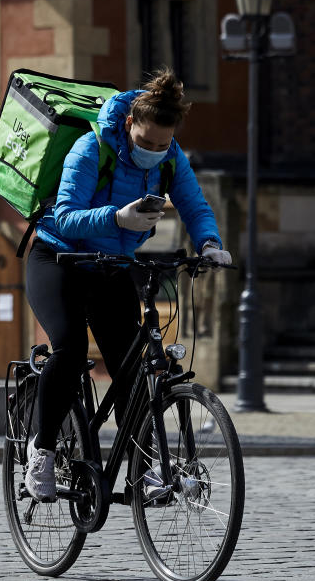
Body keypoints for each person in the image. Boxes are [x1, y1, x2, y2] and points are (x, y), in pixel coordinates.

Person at [23, 68, 232, 501]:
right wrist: (117, 217)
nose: (155, 152)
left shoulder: (171, 158)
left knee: (132, 366)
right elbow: (64, 215)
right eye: (146, 143)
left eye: (163, 144)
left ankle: (145, 465)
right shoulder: (90, 148)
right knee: (69, 347)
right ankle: (41, 450)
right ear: (128, 125)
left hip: (111, 266)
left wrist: (210, 242)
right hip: (57, 258)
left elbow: (194, 204)